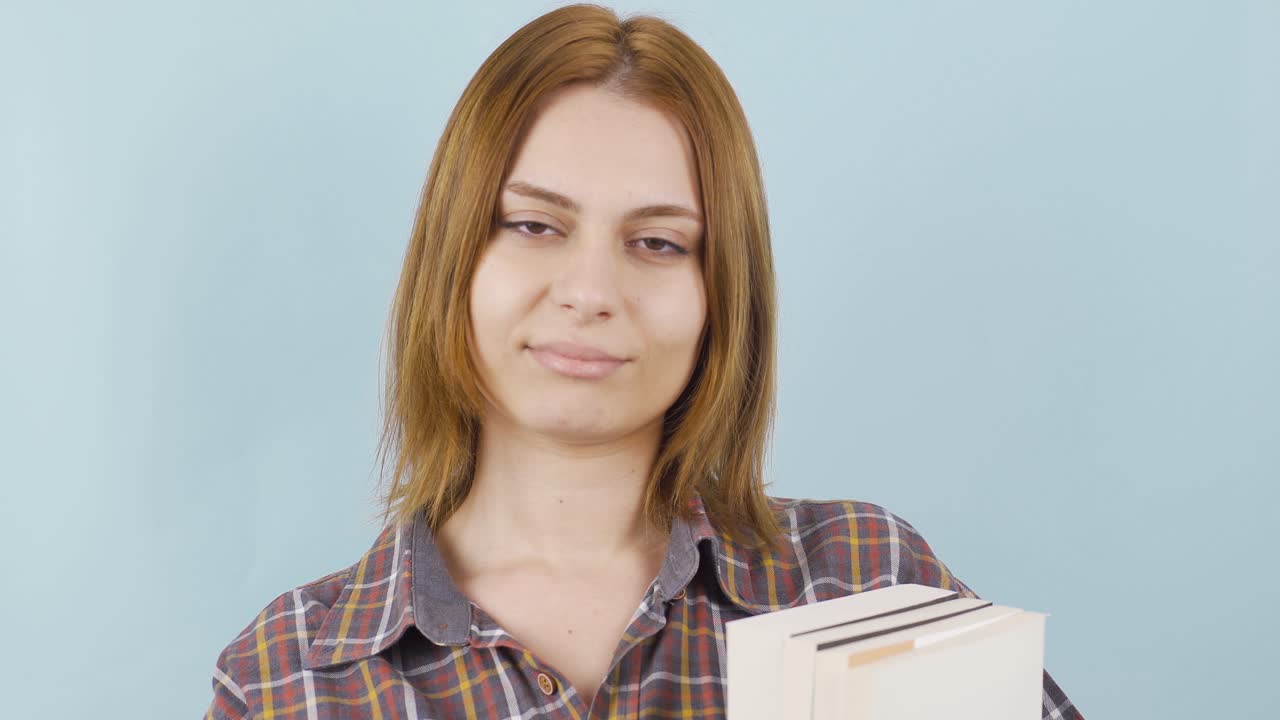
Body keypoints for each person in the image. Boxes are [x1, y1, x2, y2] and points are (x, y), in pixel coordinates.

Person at [204, 4, 1083, 718]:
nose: (591, 290)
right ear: (455, 261)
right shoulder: (289, 677)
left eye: (658, 243)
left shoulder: (863, 580)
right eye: (535, 225)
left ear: (721, 296)